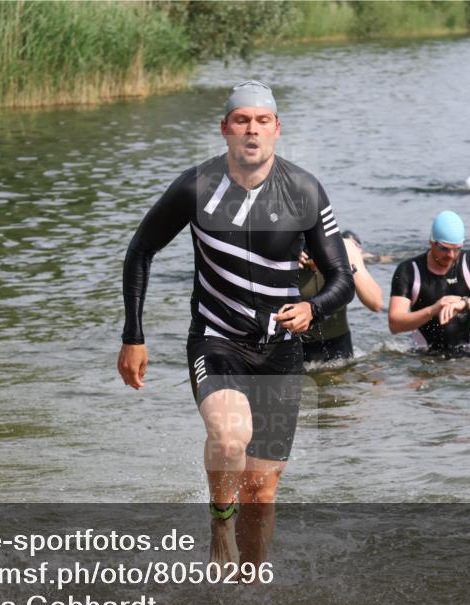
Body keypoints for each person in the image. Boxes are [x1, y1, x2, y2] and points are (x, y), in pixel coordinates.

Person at [118, 81, 354, 566]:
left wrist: (314, 309)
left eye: (262, 121)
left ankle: (247, 594)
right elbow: (141, 250)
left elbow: (341, 279)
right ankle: (218, 521)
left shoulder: (305, 191)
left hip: (280, 349)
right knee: (229, 438)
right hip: (215, 338)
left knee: (262, 494)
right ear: (225, 129)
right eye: (242, 120)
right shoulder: (196, 187)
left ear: (276, 130)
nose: (252, 129)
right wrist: (133, 337)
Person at [388, 211, 470, 354]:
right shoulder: (409, 270)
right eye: (444, 249)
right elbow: (395, 324)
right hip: (425, 356)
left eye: (457, 249)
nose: (451, 256)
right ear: (431, 242)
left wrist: (464, 304)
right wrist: (433, 310)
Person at [299, 230, 383, 362]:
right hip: (293, 349)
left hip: (339, 349)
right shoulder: (282, 251)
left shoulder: (341, 249)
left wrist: (349, 259)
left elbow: (376, 303)